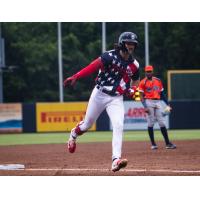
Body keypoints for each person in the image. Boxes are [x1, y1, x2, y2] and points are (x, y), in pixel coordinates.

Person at [63, 32, 140, 172]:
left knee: (118, 125)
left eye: (133, 44)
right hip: (99, 93)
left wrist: (134, 90)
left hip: (116, 98)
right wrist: (76, 76)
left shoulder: (134, 64)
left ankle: (115, 160)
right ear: (122, 43)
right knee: (87, 125)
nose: (131, 46)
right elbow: (92, 67)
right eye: (128, 43)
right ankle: (73, 134)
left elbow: (135, 80)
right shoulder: (108, 56)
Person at [138, 65, 176, 150]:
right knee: (151, 123)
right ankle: (153, 144)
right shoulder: (142, 82)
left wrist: (167, 104)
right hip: (149, 101)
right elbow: (141, 96)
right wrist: (145, 106)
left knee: (162, 123)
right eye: (147, 71)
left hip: (158, 102)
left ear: (152, 71)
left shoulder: (158, 81)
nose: (148, 73)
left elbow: (162, 94)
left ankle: (167, 143)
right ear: (145, 72)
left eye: (150, 71)